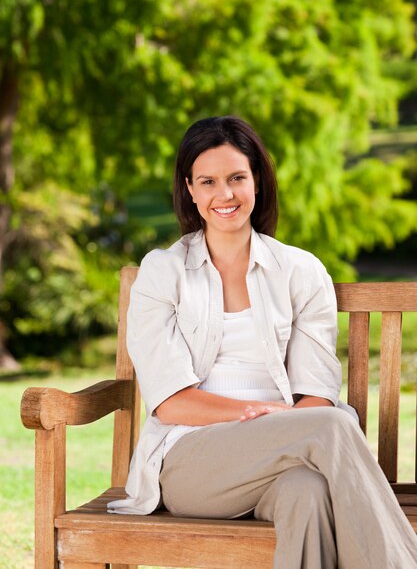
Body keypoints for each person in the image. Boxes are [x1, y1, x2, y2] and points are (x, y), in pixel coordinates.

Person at [108, 116, 417, 568]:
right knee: (332, 425)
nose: (225, 194)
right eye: (208, 181)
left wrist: (283, 422)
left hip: (290, 449)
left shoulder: (300, 271)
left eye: (237, 178)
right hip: (191, 460)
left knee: (307, 493)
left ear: (257, 182)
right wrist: (260, 416)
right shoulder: (163, 272)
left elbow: (318, 394)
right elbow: (170, 402)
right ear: (190, 190)